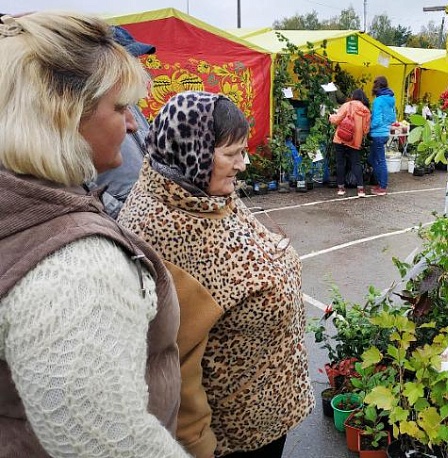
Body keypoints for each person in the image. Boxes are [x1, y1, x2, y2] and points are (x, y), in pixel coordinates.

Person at [0, 12, 187, 457]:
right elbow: (111, 443)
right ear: (62, 114)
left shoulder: (31, 207)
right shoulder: (74, 265)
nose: (133, 126)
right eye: (120, 108)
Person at [118, 91, 314, 458]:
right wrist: (199, 447)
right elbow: (171, 360)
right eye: (232, 153)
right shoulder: (163, 229)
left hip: (264, 412)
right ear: (192, 151)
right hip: (232, 436)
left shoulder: (201, 191)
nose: (243, 164)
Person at [86, 26, 156, 219]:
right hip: (120, 213)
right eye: (130, 58)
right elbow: (77, 179)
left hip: (145, 206)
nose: (136, 64)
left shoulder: (131, 105)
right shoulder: (86, 111)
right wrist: (118, 209)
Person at [330, 88, 371, 197]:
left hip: (340, 138)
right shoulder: (365, 110)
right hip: (355, 141)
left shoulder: (346, 105)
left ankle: (341, 189)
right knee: (356, 164)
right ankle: (361, 190)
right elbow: (366, 130)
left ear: (353, 96)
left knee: (340, 163)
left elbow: (336, 120)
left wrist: (331, 117)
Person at [369, 75, 397, 196]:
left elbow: (376, 120)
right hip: (385, 132)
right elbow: (393, 118)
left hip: (377, 134)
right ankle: (379, 183)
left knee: (380, 161)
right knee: (373, 159)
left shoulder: (378, 101)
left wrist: (368, 126)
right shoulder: (391, 99)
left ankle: (382, 186)